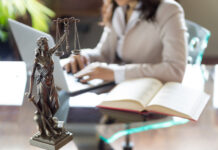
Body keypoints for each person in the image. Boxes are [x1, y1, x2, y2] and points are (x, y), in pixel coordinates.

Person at [65, 0, 187, 84]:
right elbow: (104, 54)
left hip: (150, 95)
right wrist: (84, 57)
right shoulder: (118, 8)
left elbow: (175, 70)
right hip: (117, 90)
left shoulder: (169, 9)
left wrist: (115, 73)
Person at [27, 35, 66, 137]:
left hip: (51, 81)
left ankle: (51, 123)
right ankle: (47, 130)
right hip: (43, 83)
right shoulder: (38, 59)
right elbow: (32, 75)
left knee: (56, 105)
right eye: (45, 44)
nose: (47, 46)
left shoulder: (49, 54)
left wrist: (66, 32)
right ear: (40, 46)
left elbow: (58, 44)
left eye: (47, 44)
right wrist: (30, 92)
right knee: (45, 108)